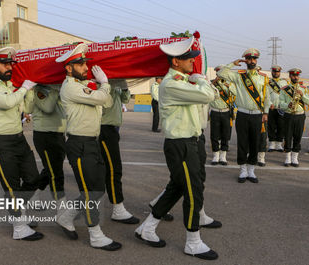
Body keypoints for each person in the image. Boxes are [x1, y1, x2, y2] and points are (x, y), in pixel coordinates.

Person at [135, 37, 219, 260]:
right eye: (188, 59)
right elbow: (209, 95)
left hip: (189, 141)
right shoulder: (172, 84)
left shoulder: (182, 82)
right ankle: (193, 242)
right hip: (181, 144)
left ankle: (147, 227)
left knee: (177, 188)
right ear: (175, 63)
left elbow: (212, 97)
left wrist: (195, 80)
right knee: (193, 191)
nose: (193, 62)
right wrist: (201, 79)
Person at [57, 43, 121, 251]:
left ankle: (66, 216)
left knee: (97, 189)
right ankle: (95, 234)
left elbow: (108, 102)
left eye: (85, 63)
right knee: (89, 191)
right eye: (80, 64)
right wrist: (103, 84)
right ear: (69, 68)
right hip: (79, 144)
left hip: (92, 142)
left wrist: (100, 88)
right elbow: (104, 97)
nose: (86, 67)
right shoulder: (71, 87)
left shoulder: (85, 86)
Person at [0, 47, 43, 240]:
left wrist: (29, 91)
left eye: (10, 64)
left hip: (19, 139)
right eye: (5, 64)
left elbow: (23, 108)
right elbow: (7, 103)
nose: (9, 68)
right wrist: (24, 87)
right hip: (1, 143)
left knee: (33, 179)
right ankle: (19, 228)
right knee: (11, 186)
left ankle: (19, 212)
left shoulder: (8, 85)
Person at [216, 48, 270, 183]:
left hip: (257, 115)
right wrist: (233, 63)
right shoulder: (239, 76)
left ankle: (251, 169)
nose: (252, 61)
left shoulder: (263, 78)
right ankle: (242, 170)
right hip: (242, 114)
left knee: (254, 142)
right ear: (246, 60)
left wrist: (266, 112)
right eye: (249, 59)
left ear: (256, 60)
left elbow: (267, 97)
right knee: (242, 143)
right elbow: (221, 73)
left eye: (254, 59)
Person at [24, 84, 68, 220]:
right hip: (45, 136)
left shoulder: (58, 89)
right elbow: (48, 107)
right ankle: (62, 209)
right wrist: (55, 89)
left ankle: (34, 195)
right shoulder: (40, 90)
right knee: (56, 174)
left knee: (51, 169)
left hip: (58, 134)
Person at [99, 79, 139, 224]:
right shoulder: (101, 84)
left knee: (106, 171)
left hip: (113, 129)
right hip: (104, 129)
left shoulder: (114, 83)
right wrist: (107, 85)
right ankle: (118, 208)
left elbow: (125, 99)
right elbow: (105, 104)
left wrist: (124, 87)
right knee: (113, 169)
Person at [279, 68, 309, 167]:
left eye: (297, 75)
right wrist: (287, 105)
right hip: (289, 115)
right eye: (293, 75)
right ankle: (288, 157)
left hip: (300, 115)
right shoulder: (284, 89)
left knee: (298, 136)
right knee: (288, 136)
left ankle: (295, 157)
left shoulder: (303, 88)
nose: (295, 77)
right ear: (290, 76)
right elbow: (280, 103)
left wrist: (302, 95)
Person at [209, 66, 235, 165]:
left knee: (225, 134)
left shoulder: (228, 83)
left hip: (226, 112)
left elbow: (235, 94)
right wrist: (213, 83)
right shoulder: (212, 83)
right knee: (214, 135)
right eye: (218, 73)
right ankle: (216, 155)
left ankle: (223, 156)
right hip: (215, 111)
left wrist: (228, 86)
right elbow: (206, 91)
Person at [267, 65, 288, 152]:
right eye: (274, 72)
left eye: (278, 72)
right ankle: (272, 144)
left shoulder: (284, 82)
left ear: (280, 72)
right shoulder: (268, 82)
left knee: (281, 126)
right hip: (271, 108)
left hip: (281, 108)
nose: (276, 73)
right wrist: (269, 103)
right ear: (272, 72)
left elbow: (287, 95)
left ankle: (279, 144)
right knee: (271, 126)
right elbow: (266, 94)